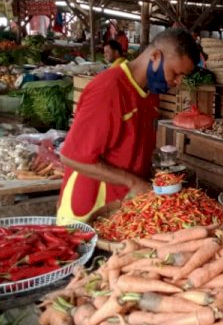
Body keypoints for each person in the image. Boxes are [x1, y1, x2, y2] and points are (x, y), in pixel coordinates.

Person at [56, 28, 199, 224]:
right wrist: (132, 181)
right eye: (175, 73)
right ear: (155, 57)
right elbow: (71, 157)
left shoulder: (150, 93)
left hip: (123, 208)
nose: (177, 82)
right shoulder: (109, 89)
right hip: (90, 209)